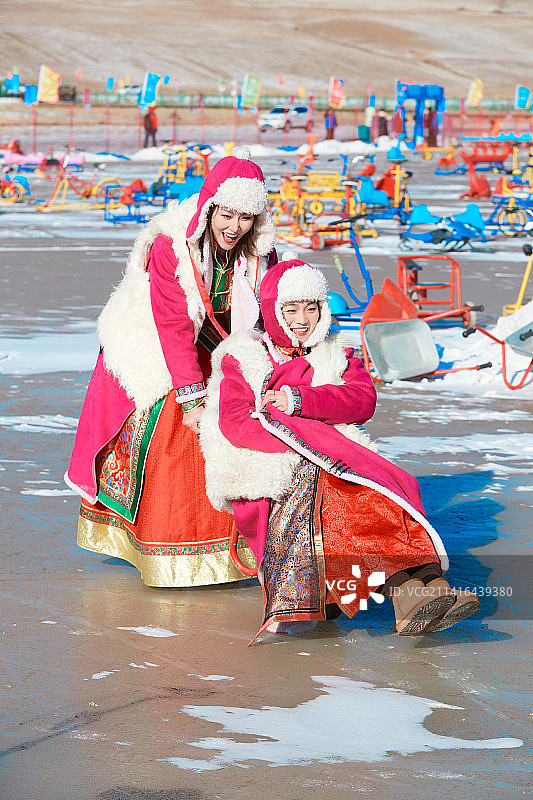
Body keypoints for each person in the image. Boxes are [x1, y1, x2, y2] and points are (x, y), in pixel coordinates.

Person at [200, 256, 480, 640]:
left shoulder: (335, 351)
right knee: (344, 499)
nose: (302, 320)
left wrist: (300, 402)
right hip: (273, 464)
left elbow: (361, 400)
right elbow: (235, 422)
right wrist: (305, 441)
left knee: (387, 489)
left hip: (339, 454)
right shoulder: (245, 357)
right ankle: (408, 592)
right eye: (290, 309)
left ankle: (431, 587)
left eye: (311, 308)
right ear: (272, 310)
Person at [65, 148, 277, 587]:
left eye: (245, 218)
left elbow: (267, 316)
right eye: (227, 215)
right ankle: (166, 551)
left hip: (220, 346)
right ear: (210, 208)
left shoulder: (260, 254)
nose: (234, 227)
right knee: (173, 436)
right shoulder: (170, 246)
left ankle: (235, 548)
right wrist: (193, 399)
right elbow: (173, 326)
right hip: (154, 344)